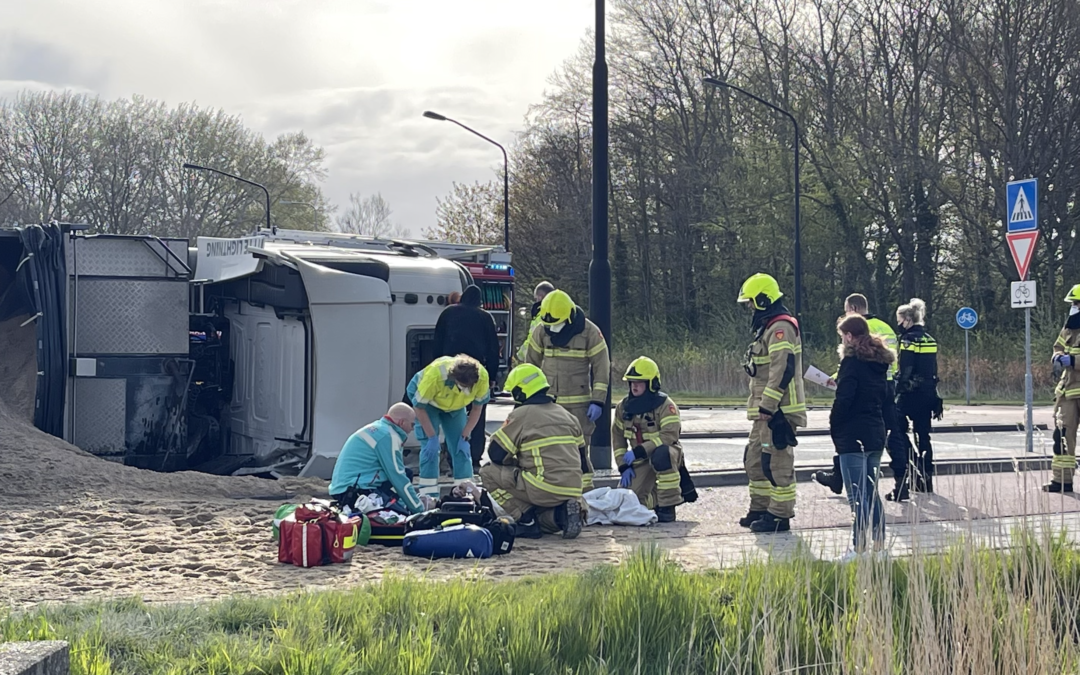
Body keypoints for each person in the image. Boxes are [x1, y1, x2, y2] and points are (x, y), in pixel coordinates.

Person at [735, 273, 807, 533]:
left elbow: (782, 367)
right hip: (763, 412)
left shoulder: (781, 327)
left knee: (777, 463)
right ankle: (760, 508)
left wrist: (769, 404)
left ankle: (779, 515)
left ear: (764, 299)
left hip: (779, 411)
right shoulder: (767, 327)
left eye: (752, 303)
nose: (750, 308)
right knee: (754, 460)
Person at [479, 364, 585, 539]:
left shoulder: (522, 415)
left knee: (487, 472)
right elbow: (584, 462)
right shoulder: (568, 416)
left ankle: (525, 519)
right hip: (573, 489)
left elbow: (496, 454)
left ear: (520, 392)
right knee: (542, 515)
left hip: (542, 486)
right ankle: (560, 516)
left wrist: (508, 424)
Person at [812, 293, 902, 494]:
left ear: (852, 309)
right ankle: (901, 479)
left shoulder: (855, 334)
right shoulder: (885, 327)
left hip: (865, 387)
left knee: (852, 433)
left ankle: (839, 477)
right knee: (890, 435)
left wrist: (837, 378)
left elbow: (851, 376)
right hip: (885, 383)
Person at [524, 289, 610, 491]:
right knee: (549, 451)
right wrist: (529, 398)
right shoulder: (542, 330)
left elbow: (602, 367)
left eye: (557, 324)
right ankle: (555, 494)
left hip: (579, 406)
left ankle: (585, 495)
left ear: (569, 317)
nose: (553, 329)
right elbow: (530, 367)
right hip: (548, 405)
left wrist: (598, 400)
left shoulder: (589, 332)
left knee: (579, 452)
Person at [830, 314, 895, 561]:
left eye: (842, 336)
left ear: (848, 336)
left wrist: (834, 425)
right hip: (875, 433)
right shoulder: (879, 364)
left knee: (856, 496)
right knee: (872, 492)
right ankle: (879, 549)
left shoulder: (851, 363)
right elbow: (886, 398)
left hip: (852, 434)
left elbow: (844, 399)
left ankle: (858, 550)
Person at [613, 356, 696, 522]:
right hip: (640, 459)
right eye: (631, 382)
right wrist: (623, 466)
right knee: (626, 502)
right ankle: (656, 501)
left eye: (640, 382)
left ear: (652, 384)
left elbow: (669, 435)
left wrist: (641, 450)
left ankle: (668, 507)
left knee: (661, 455)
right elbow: (617, 439)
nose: (634, 386)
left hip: (667, 454)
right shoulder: (623, 407)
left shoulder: (666, 406)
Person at [432, 284, 501, 469]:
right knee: (476, 414)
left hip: (449, 371)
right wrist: (493, 376)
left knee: (452, 411)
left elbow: (437, 342)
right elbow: (494, 349)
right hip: (476, 372)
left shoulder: (447, 313)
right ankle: (474, 455)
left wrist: (435, 368)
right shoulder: (485, 317)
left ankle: (451, 454)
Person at [406, 354, 491, 499]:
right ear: (454, 378)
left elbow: (477, 408)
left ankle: (466, 492)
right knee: (430, 451)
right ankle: (428, 497)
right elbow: (419, 407)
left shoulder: (482, 377)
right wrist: (432, 437)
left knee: (461, 449)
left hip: (455, 406)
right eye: (464, 386)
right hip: (428, 404)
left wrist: (465, 434)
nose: (467, 390)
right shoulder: (435, 375)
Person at [328, 403, 435, 514]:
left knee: (407, 473)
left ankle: (401, 504)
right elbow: (398, 477)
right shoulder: (389, 437)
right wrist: (419, 509)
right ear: (402, 422)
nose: (412, 429)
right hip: (354, 491)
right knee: (401, 514)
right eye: (412, 425)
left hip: (346, 486)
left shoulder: (380, 429)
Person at [890, 298, 942, 500]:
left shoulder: (907, 340)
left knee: (897, 430)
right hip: (928, 394)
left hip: (910, 394)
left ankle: (913, 470)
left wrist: (898, 390)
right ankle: (927, 478)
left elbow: (906, 369)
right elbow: (932, 368)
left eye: (899, 320)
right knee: (923, 436)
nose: (899, 323)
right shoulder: (930, 339)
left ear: (907, 320)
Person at [1046, 284, 1080, 492]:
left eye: (1076, 304)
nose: (1073, 307)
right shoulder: (1069, 327)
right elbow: (1057, 345)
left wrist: (1073, 360)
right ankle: (1061, 481)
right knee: (1062, 437)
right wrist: (1057, 357)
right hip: (1067, 391)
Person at [515, 281, 555, 363]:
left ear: (540, 297)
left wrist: (520, 356)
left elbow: (532, 340)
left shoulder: (541, 316)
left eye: (536, 298)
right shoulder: (561, 313)